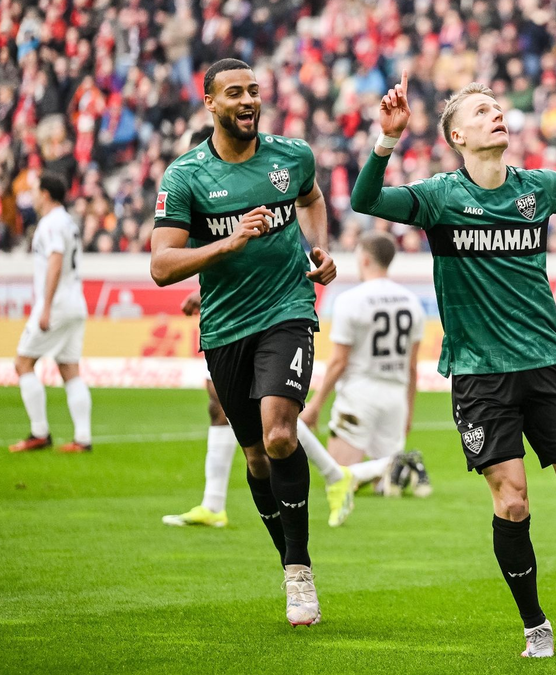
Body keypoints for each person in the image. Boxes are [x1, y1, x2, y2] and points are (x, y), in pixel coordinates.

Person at [350, 70, 556, 657]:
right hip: (479, 374)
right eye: (482, 110)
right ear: (458, 137)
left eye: (499, 107)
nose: (497, 114)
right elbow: (365, 201)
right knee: (512, 499)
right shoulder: (440, 197)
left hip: (545, 363)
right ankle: (535, 626)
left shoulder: (536, 189)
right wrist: (386, 140)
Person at [149, 59, 337, 627]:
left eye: (254, 90)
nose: (249, 100)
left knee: (280, 434)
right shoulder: (185, 177)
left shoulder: (292, 156)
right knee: (254, 454)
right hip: (227, 328)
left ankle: (300, 570)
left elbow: (312, 198)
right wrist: (225, 246)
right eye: (235, 93)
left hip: (287, 310)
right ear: (210, 103)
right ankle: (287, 559)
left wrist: (319, 248)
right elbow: (161, 265)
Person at [162, 291, 358, 530]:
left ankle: (334, 475)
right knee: (219, 405)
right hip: (227, 312)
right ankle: (213, 503)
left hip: (261, 310)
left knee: (264, 411)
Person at [300, 231, 430, 525]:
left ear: (365, 259)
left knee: (338, 474)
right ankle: (402, 464)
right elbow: (412, 367)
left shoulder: (351, 300)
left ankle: (399, 463)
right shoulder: (412, 302)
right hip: (395, 396)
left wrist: (316, 403)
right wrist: (409, 409)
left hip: (360, 394)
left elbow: (338, 362)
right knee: (384, 485)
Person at [10, 174, 92, 454]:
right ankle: (82, 438)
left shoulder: (51, 223)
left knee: (22, 363)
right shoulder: (67, 221)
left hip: (56, 305)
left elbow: (56, 260)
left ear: (45, 194)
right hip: (74, 302)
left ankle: (39, 433)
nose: (32, 195)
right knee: (69, 369)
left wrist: (45, 306)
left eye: (35, 190)